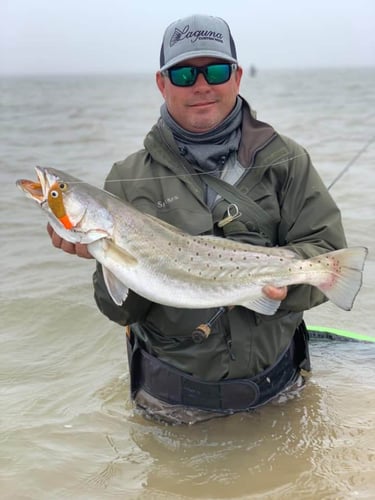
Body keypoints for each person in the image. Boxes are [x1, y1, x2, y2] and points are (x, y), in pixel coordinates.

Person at [47, 14, 347, 424]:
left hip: (281, 392)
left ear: (237, 77)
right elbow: (120, 311)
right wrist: (104, 258)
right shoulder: (128, 177)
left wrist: (282, 288)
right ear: (162, 83)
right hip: (172, 406)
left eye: (216, 70)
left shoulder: (285, 160)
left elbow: (329, 256)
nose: (201, 85)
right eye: (184, 73)